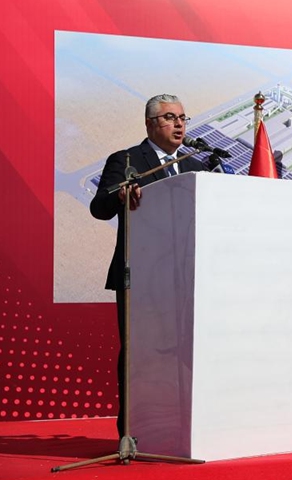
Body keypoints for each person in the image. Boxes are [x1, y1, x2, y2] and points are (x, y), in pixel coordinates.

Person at [90, 94, 208, 437]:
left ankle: (183, 426)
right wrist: (121, 195)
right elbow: (100, 207)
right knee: (140, 354)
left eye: (183, 117)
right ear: (150, 124)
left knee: (186, 352)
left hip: (186, 277)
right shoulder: (127, 159)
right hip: (139, 275)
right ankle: (133, 431)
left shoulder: (195, 166)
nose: (179, 124)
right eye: (170, 117)